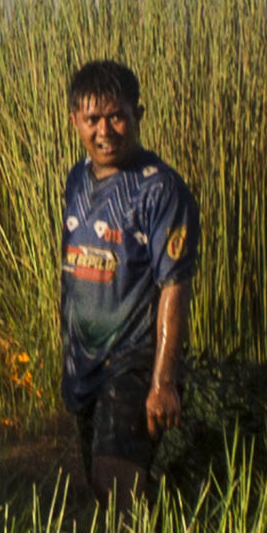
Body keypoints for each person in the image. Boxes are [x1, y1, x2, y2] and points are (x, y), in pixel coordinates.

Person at [54, 58, 196, 501]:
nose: (105, 130)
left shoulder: (160, 189)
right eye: (92, 119)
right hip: (84, 364)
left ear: (138, 114)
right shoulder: (77, 178)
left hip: (132, 359)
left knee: (116, 482)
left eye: (117, 116)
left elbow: (175, 286)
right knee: (101, 486)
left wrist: (163, 383)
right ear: (74, 120)